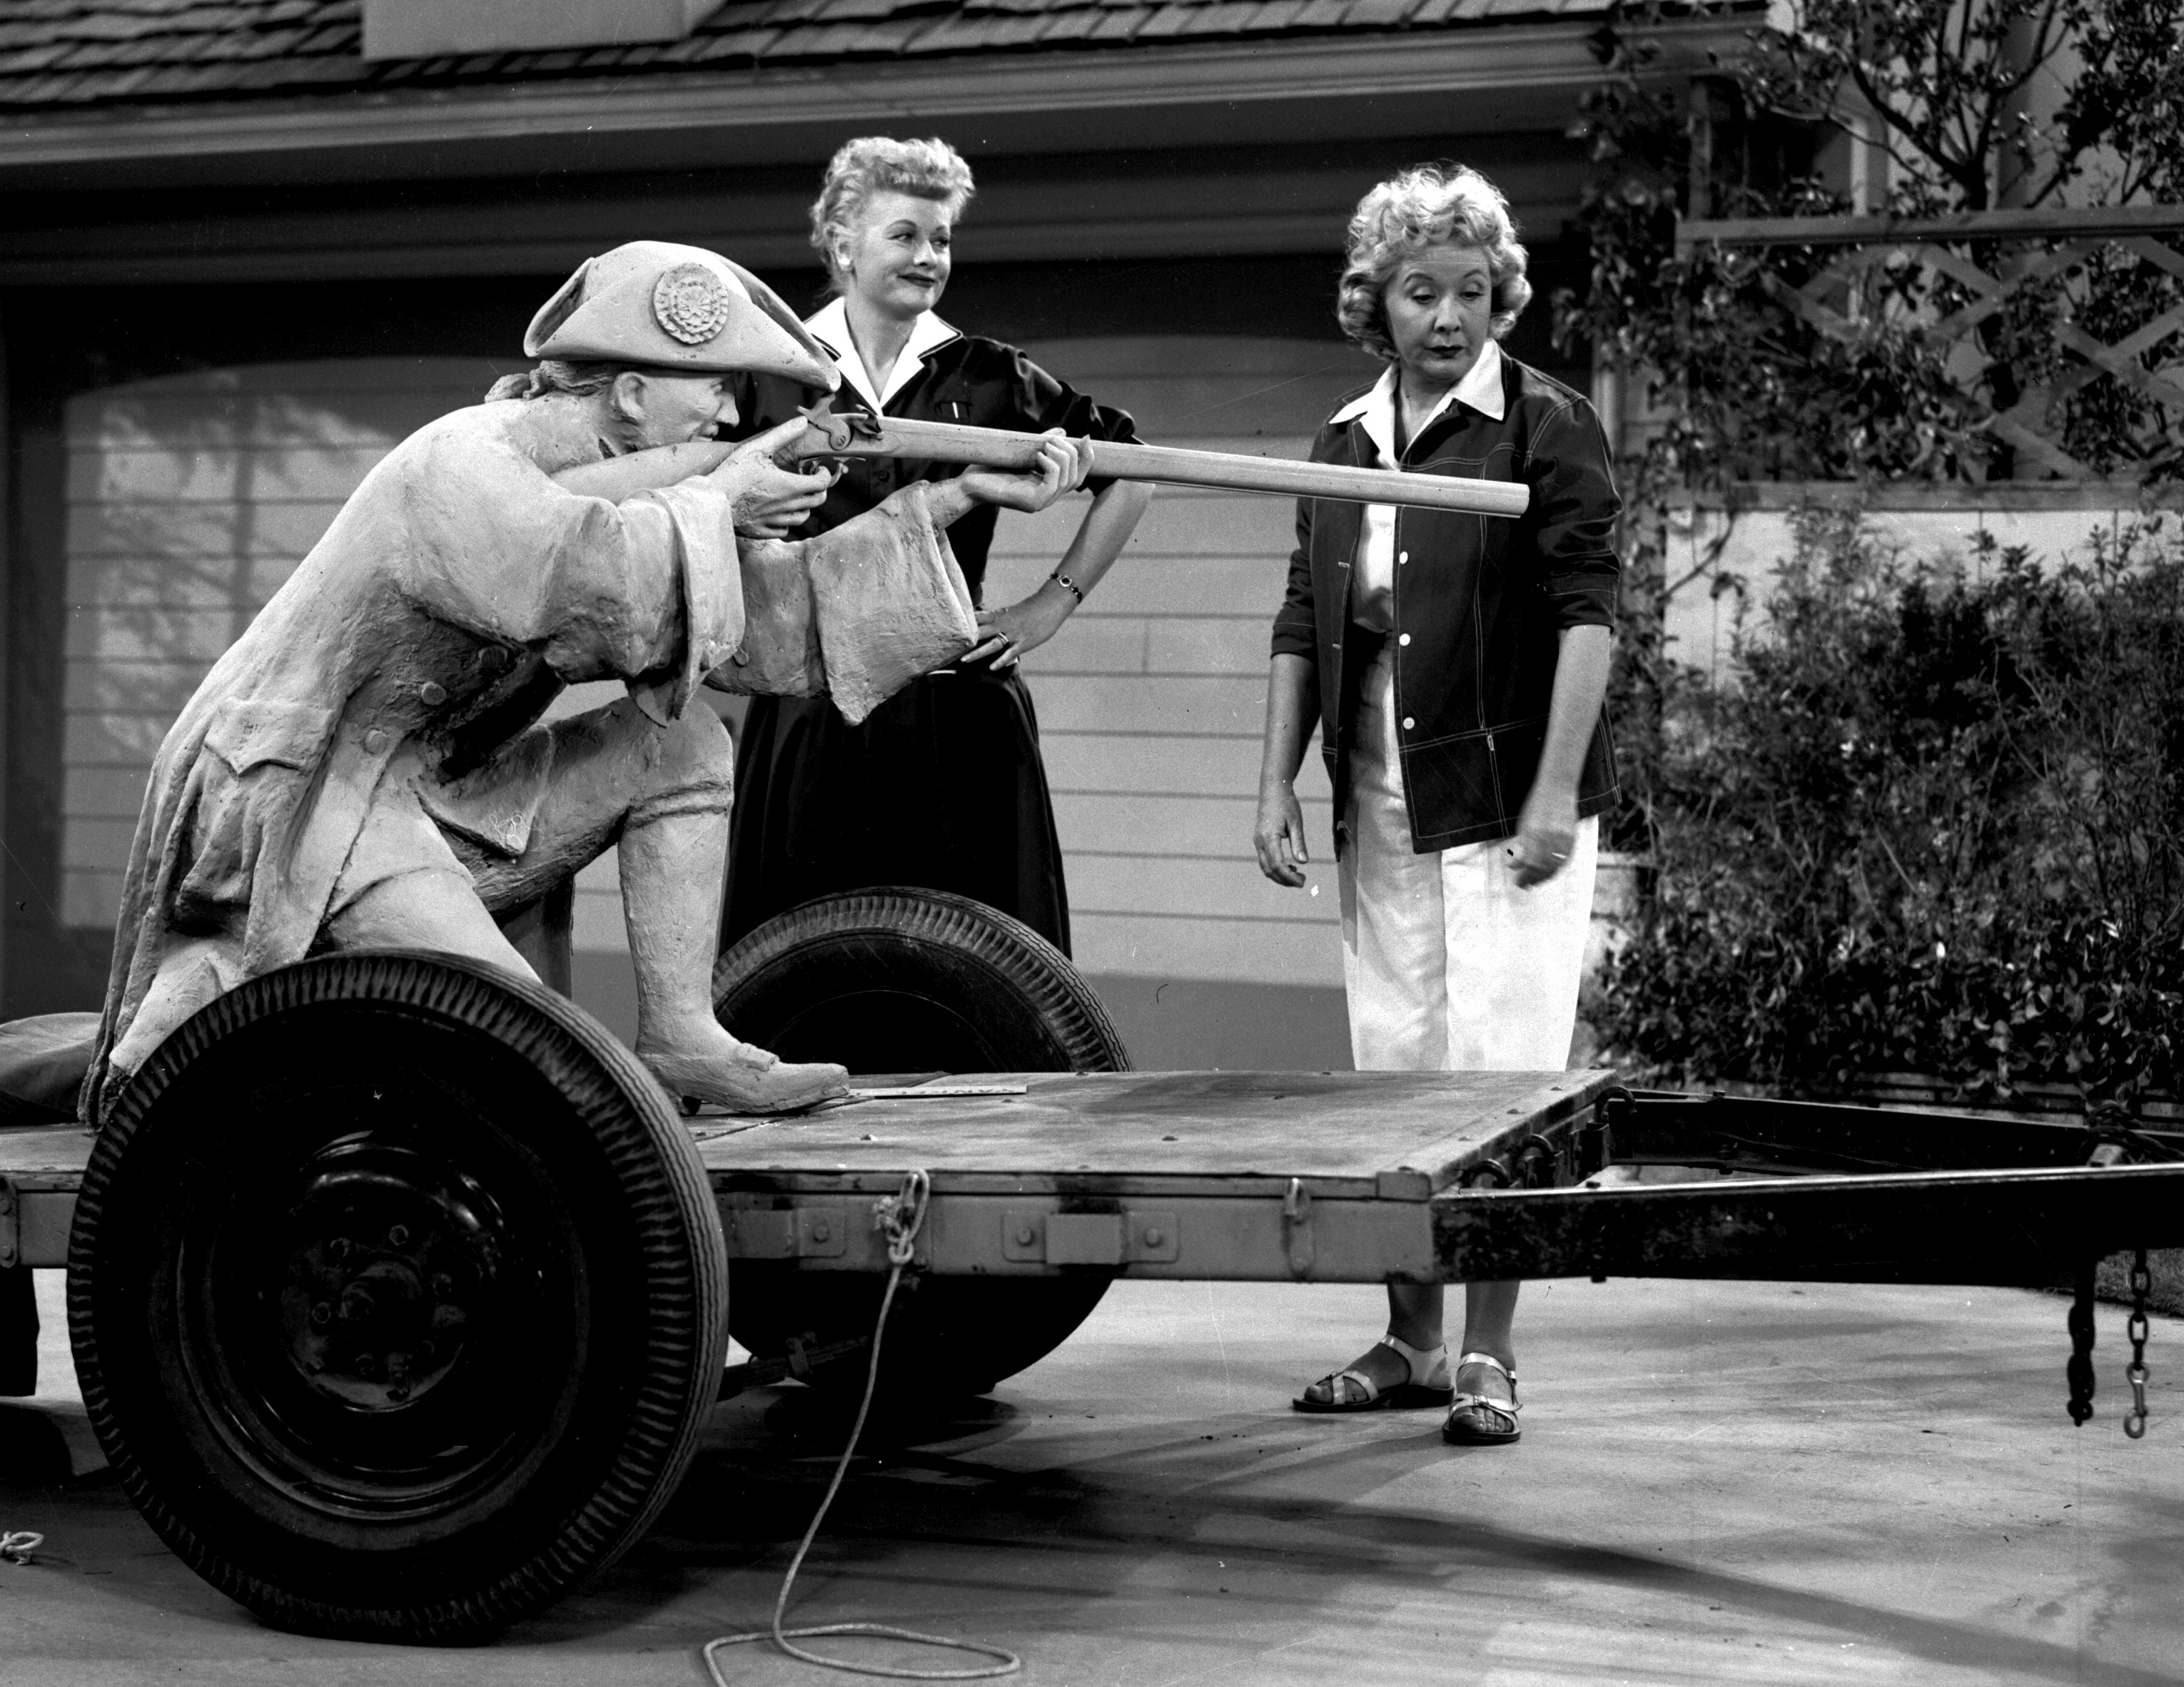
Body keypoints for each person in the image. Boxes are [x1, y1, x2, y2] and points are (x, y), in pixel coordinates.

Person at [83, 240, 1091, 1123]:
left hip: (437, 796)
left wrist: (957, 494)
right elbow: (567, 577)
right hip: (319, 816)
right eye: (714, 389)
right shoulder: (458, 462)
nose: (734, 412)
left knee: (683, 740)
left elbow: (762, 627)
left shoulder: (646, 490)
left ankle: (687, 1035)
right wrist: (718, 495)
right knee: (536, 1060)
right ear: (631, 393)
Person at [1253, 165, 1620, 1447]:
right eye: (1421, 292)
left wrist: (1553, 795)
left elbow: (1588, 618)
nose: (1448, 317)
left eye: (1471, 292)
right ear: (1376, 301)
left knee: (1499, 1083)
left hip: (1509, 811)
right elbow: (1306, 617)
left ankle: (1489, 1354)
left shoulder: (1544, 426)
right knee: (1392, 1083)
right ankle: (1410, 1340)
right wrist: (1273, 784)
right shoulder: (1341, 444)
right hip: (1379, 813)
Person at [719, 136, 1156, 953]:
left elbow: (1133, 473)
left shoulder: (993, 377)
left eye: (942, 238)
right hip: (807, 713)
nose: (928, 257)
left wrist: (1047, 606)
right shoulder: (767, 373)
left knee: (981, 974)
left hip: (955, 713)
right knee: (801, 969)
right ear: (842, 243)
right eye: (905, 235)